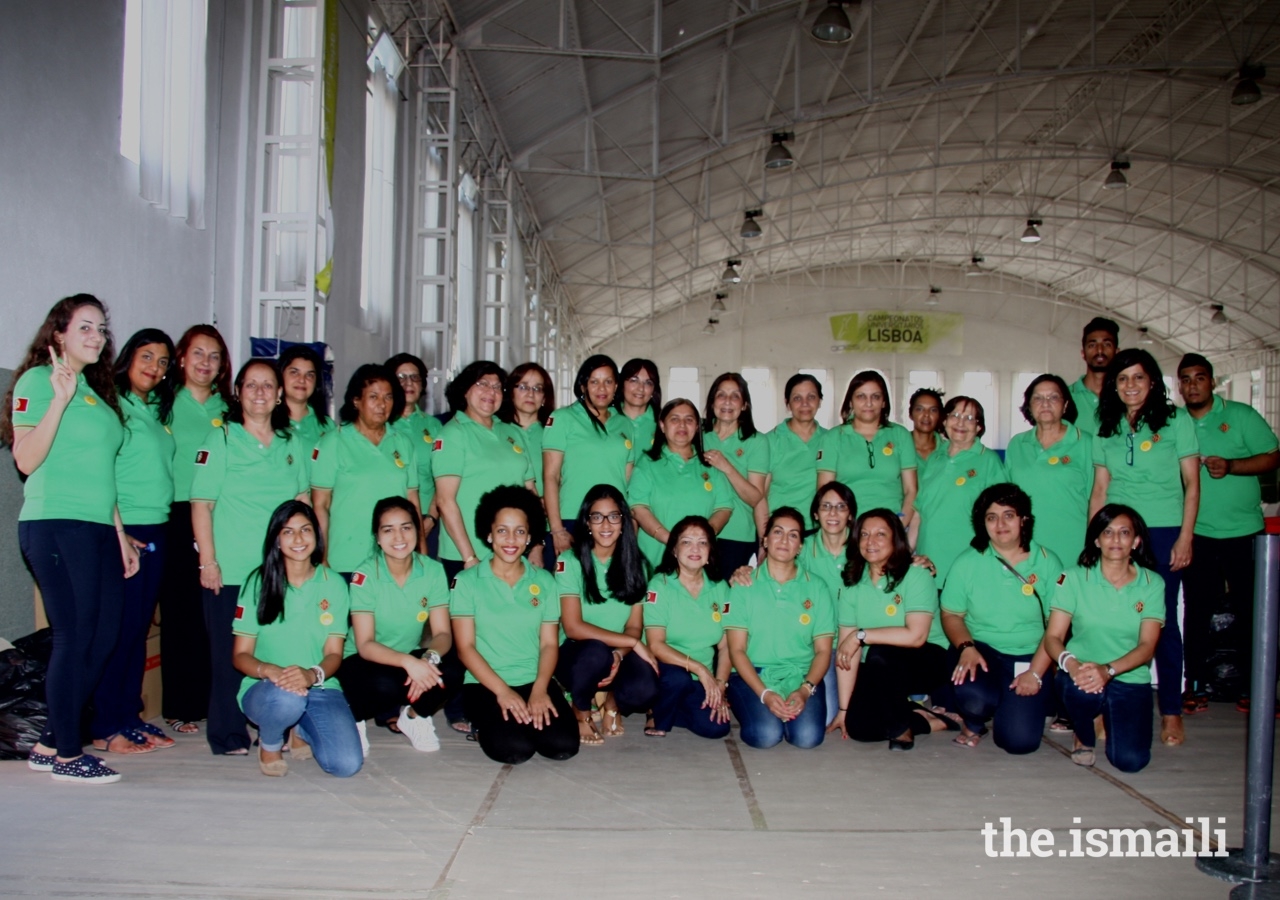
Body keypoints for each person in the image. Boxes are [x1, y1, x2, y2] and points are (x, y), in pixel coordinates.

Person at [3, 295, 137, 783]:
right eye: (85, 327)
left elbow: (104, 473)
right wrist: (57, 401)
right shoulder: (39, 382)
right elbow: (25, 459)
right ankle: (65, 753)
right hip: (55, 523)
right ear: (57, 333)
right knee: (73, 637)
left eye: (101, 329)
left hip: (100, 529)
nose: (96, 337)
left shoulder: (96, 394)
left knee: (104, 638)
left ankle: (47, 742)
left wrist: (120, 533)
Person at [191, 358, 310, 756]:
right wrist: (208, 561)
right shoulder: (222, 439)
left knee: (277, 651)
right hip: (232, 571)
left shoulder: (291, 443)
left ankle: (277, 725)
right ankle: (227, 735)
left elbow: (302, 502)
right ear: (238, 392)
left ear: (279, 395)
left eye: (267, 385)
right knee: (228, 656)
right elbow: (201, 505)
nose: (259, 392)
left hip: (280, 571)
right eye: (251, 385)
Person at [1089, 348, 1199, 746]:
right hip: (1116, 532)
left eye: (1138, 377)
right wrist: (1093, 540)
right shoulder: (1107, 426)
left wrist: (1185, 536)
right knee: (1103, 617)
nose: (1130, 385)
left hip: (1165, 531)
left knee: (1162, 621)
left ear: (1152, 381)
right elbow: (1100, 489)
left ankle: (1170, 711)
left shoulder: (1177, 421)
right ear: (1113, 386)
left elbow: (1192, 485)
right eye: (1122, 379)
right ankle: (1100, 707)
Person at [91, 328, 179, 755]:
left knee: (137, 631)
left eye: (163, 362)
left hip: (157, 528)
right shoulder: (113, 407)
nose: (154, 367)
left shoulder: (152, 410)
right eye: (147, 356)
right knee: (119, 633)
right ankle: (106, 725)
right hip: (126, 532)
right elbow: (101, 473)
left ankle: (129, 716)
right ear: (128, 358)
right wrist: (121, 532)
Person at [1176, 353, 1280, 711]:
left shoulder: (1240, 416)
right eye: (1186, 379)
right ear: (1179, 386)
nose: (1193, 385)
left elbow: (1272, 455)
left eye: (1199, 378)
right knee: (1196, 610)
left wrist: (1233, 466)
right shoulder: (1174, 423)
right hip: (1197, 533)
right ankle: (1196, 684)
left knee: (1254, 610)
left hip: (1244, 532)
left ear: (1212, 381)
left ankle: (1258, 687)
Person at [232, 501, 362, 777]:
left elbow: (334, 654)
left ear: (317, 535)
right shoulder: (257, 582)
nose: (299, 539)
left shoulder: (334, 584)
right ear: (276, 540)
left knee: (346, 765)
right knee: (287, 700)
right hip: (268, 690)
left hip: (319, 685)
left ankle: (300, 727)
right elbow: (240, 655)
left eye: (305, 530)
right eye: (288, 532)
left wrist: (311, 675)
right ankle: (270, 742)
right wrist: (270, 671)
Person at [451, 485, 579, 764]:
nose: (511, 539)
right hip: (486, 684)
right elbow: (465, 648)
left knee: (563, 746)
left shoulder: (543, 581)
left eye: (520, 531)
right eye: (502, 530)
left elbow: (548, 643)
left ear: (530, 536)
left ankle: (525, 715)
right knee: (515, 750)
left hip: (533, 679)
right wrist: (503, 692)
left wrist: (540, 689)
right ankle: (483, 724)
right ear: (488, 533)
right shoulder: (467, 583)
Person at [940, 484, 1062, 753]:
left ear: (1024, 520)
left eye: (1009, 515)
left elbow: (1057, 628)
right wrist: (966, 647)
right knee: (974, 698)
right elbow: (951, 614)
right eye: (991, 517)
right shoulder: (967, 562)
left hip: (1030, 655)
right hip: (981, 651)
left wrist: (1035, 672)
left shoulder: (1048, 563)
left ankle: (1017, 706)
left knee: (1019, 743)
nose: (1000, 524)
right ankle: (974, 721)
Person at [337, 497, 463, 752]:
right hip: (362, 661)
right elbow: (365, 645)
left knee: (454, 667)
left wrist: (428, 659)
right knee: (386, 683)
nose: (399, 536)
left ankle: (415, 716)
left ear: (418, 530)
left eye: (406, 527)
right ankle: (355, 720)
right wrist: (410, 664)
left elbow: (442, 634)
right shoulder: (365, 575)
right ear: (377, 537)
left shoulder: (432, 570)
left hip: (408, 657)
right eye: (388, 530)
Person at [1044, 505, 1164, 772]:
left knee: (1131, 762)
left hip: (1127, 677)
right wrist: (1072, 665)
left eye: (1124, 533)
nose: (1116, 540)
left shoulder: (1152, 583)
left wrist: (1108, 671)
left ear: (1136, 541)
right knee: (1079, 692)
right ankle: (1084, 734)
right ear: (1097, 540)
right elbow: (1052, 637)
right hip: (1082, 674)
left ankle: (1108, 716)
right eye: (1107, 532)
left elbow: (1147, 648)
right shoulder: (1072, 578)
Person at [828, 510, 959, 751]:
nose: (871, 541)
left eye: (880, 534)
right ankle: (924, 719)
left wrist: (861, 635)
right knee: (859, 728)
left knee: (880, 652)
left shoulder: (916, 573)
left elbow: (916, 636)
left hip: (926, 660)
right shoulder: (852, 582)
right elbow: (848, 652)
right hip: (879, 666)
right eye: (865, 534)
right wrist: (843, 710)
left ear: (895, 538)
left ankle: (901, 730)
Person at [160, 324, 231, 735]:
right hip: (176, 512)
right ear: (183, 358)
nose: (206, 363)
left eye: (215, 356)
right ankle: (181, 704)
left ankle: (215, 698)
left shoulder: (230, 405)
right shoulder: (164, 404)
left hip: (222, 513)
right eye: (198, 354)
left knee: (218, 611)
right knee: (182, 609)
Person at [724, 507, 834, 750]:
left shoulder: (817, 587)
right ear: (765, 540)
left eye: (793, 535)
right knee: (765, 735)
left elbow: (824, 651)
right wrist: (765, 695)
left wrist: (805, 690)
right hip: (754, 675)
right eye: (778, 532)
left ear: (801, 546)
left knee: (807, 738)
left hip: (801, 675)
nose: (785, 540)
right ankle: (766, 712)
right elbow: (737, 650)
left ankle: (787, 710)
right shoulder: (743, 585)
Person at [554, 485, 657, 743]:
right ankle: (580, 709)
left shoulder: (638, 565)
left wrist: (619, 656)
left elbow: (634, 626)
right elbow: (573, 627)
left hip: (613, 651)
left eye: (613, 516)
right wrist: (631, 643)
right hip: (575, 653)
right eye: (597, 517)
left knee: (646, 687)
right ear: (587, 522)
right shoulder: (569, 561)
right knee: (595, 652)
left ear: (623, 521)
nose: (606, 524)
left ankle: (610, 700)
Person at [312, 364, 421, 576]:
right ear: (356, 401)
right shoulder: (333, 443)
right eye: (373, 397)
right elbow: (320, 506)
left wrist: (421, 553)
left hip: (396, 559)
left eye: (388, 397)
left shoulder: (403, 443)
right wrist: (322, 559)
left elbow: (413, 503)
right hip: (345, 560)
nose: (382, 405)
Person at [432, 361, 537, 579]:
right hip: (469, 553)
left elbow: (531, 494)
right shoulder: (453, 434)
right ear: (465, 389)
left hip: (513, 548)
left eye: (498, 387)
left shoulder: (512, 433)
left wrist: (535, 545)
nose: (491, 391)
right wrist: (469, 557)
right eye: (483, 384)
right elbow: (445, 501)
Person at [643, 516, 733, 738]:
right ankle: (657, 708)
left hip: (700, 680)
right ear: (674, 549)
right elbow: (655, 644)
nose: (695, 548)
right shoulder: (659, 585)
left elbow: (726, 646)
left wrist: (720, 684)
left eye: (702, 542)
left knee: (717, 728)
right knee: (677, 679)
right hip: (665, 670)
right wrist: (700, 669)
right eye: (686, 542)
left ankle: (669, 709)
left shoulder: (721, 587)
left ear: (710, 550)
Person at [543, 356, 634, 558]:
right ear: (583, 385)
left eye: (608, 381)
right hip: (571, 519)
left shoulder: (625, 424)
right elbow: (551, 476)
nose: (602, 388)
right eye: (594, 381)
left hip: (612, 522)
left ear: (616, 386)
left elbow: (625, 478)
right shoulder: (563, 418)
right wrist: (557, 529)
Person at [629, 399, 734, 568]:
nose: (682, 425)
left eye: (689, 420)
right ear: (662, 425)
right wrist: (672, 541)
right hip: (654, 559)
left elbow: (724, 507)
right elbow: (638, 507)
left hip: (697, 559)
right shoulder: (647, 463)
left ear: (697, 427)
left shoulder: (710, 464)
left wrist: (701, 539)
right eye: (675, 419)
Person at [915, 396, 1007, 582]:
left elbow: (1002, 513)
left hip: (967, 562)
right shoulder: (935, 459)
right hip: (928, 562)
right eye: (955, 415)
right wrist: (905, 553)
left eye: (970, 418)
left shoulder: (988, 460)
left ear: (979, 428)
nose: (961, 423)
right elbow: (919, 513)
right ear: (945, 420)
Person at [1004, 374, 1093, 563]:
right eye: (1037, 398)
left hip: (1072, 546)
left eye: (1053, 397)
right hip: (1025, 547)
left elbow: (1097, 497)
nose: (1045, 403)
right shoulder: (1017, 444)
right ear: (1029, 406)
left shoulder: (1086, 443)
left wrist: (1094, 544)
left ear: (1066, 405)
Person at [818, 371, 918, 529]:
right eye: (861, 396)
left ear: (884, 401)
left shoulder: (900, 435)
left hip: (891, 528)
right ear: (850, 401)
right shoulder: (834, 438)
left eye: (876, 397)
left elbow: (911, 490)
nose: (868, 403)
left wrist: (899, 525)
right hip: (848, 529)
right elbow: (825, 492)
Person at [703, 373, 771, 575]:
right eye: (721, 395)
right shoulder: (698, 435)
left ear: (744, 405)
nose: (727, 402)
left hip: (737, 534)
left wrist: (727, 467)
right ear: (712, 401)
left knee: (728, 601)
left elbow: (755, 497)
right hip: (700, 531)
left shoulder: (756, 441)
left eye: (735, 396)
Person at [387, 352, 443, 547]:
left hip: (428, 521)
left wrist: (431, 520)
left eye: (415, 377)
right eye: (401, 377)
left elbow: (443, 479)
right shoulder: (381, 424)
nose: (408, 383)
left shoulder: (435, 426)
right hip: (386, 522)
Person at [764, 374, 826, 514]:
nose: (805, 403)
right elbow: (761, 495)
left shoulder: (830, 440)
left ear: (820, 401)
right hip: (780, 530)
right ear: (787, 403)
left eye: (811, 397)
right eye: (797, 398)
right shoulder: (770, 441)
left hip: (819, 530)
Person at [498, 361, 555, 497]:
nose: (530, 394)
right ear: (511, 392)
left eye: (537, 389)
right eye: (523, 387)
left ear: (544, 398)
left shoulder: (553, 433)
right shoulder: (496, 430)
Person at [1069, 317, 1119, 433]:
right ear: (1083, 353)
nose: (1100, 350)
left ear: (1117, 352)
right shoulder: (1064, 397)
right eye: (1092, 345)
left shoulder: (1127, 397)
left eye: (1107, 344)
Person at [280, 344, 332, 453]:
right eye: (294, 373)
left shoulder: (326, 425)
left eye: (309, 375)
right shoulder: (268, 421)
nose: (302, 380)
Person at [617, 358, 661, 453]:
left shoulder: (663, 424)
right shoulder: (606, 418)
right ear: (621, 385)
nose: (641, 388)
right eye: (634, 380)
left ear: (654, 390)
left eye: (648, 383)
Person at [908, 388, 946, 470]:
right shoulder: (897, 446)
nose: (926, 415)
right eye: (920, 409)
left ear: (939, 415)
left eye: (933, 410)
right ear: (911, 414)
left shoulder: (948, 450)